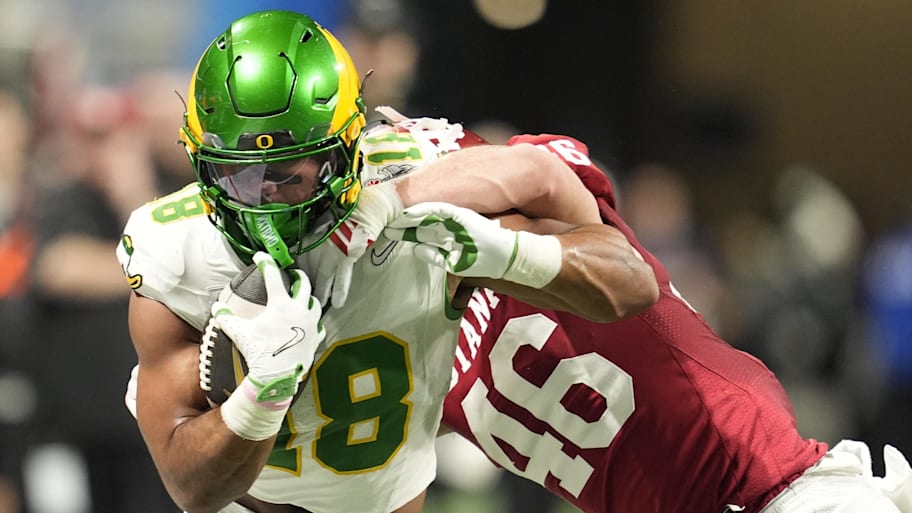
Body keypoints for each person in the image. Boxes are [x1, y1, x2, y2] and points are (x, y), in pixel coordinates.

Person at [116, 10, 656, 513]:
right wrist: (264, 391)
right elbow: (191, 487)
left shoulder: (416, 190)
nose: (264, 197)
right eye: (238, 173)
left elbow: (631, 283)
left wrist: (501, 251)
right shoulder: (176, 249)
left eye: (288, 171)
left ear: (350, 149)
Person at [387, 133, 911, 512]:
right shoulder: (393, 342)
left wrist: (393, 199)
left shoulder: (533, 213)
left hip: (776, 488)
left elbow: (540, 175)